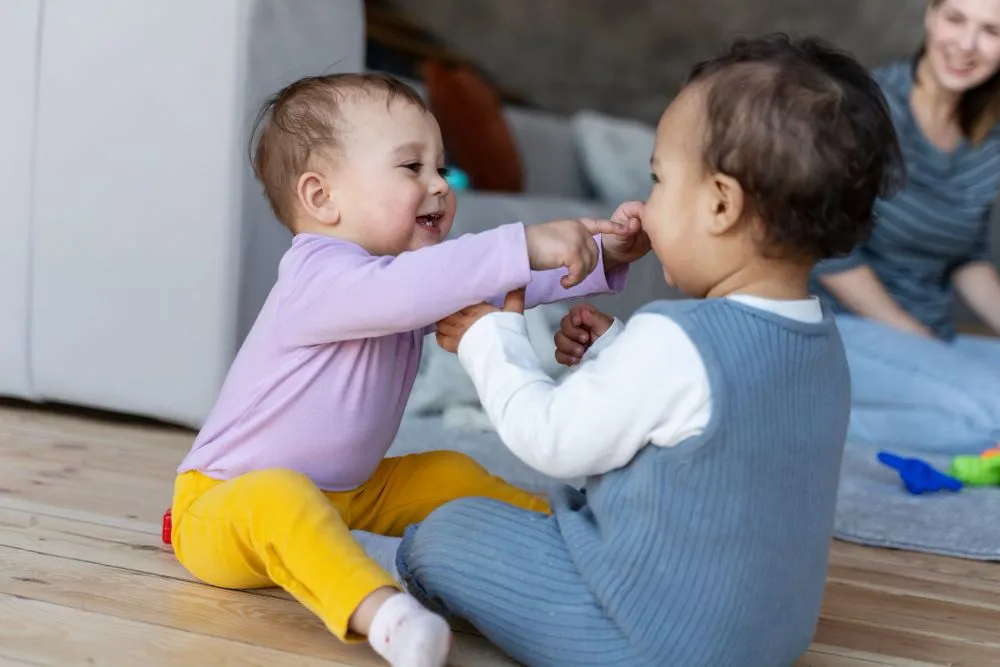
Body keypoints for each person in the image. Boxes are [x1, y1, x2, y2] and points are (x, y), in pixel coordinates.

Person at [375, 35, 905, 667]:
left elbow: (551, 440)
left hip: (640, 640)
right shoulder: (823, 345)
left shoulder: (676, 338)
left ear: (719, 203)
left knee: (446, 532)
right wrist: (614, 353)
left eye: (658, 180)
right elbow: (713, 439)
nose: (646, 206)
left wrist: (492, 338)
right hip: (771, 641)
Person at [168, 72, 649, 667]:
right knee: (279, 496)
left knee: (445, 473)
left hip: (352, 491)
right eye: (411, 168)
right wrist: (522, 241)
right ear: (322, 198)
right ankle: (383, 615)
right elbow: (423, 285)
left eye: (441, 169)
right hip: (223, 504)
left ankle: (579, 541)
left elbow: (488, 287)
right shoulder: (318, 278)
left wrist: (598, 254)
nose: (440, 187)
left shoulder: (400, 278)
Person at [812, 0, 1000, 454]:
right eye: (955, 19)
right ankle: (810, 414)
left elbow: (965, 256)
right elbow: (826, 245)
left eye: (991, 31)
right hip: (842, 327)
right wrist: (915, 338)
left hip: (932, 330)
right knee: (992, 418)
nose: (966, 45)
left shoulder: (989, 134)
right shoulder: (865, 108)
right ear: (931, 16)